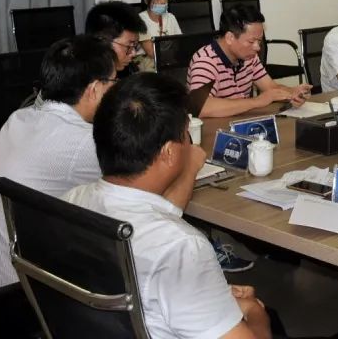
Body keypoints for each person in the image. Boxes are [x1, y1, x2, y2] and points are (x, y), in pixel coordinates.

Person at [63, 73, 273, 339]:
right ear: (169, 152)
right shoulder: (181, 247)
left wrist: (208, 295)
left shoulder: (72, 200)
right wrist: (255, 311)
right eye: (186, 135)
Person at [0, 36, 117, 296]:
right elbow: (141, 188)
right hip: (12, 294)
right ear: (94, 89)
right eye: (114, 83)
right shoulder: (84, 143)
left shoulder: (18, 118)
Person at [187, 4, 311, 119]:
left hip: (241, 121)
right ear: (230, 38)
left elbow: (270, 88)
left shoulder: (249, 57)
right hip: (213, 130)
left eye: (259, 41)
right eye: (251, 42)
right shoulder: (205, 61)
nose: (257, 47)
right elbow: (201, 107)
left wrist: (292, 93)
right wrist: (257, 101)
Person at [86, 0, 146, 78]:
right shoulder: (82, 82)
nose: (133, 53)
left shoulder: (128, 71)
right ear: (102, 42)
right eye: (128, 46)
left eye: (135, 45)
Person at [138, 0, 182, 71]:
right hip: (147, 60)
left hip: (168, 59)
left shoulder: (170, 17)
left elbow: (180, 43)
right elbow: (151, 52)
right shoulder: (141, 19)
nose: (163, 1)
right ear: (146, 1)